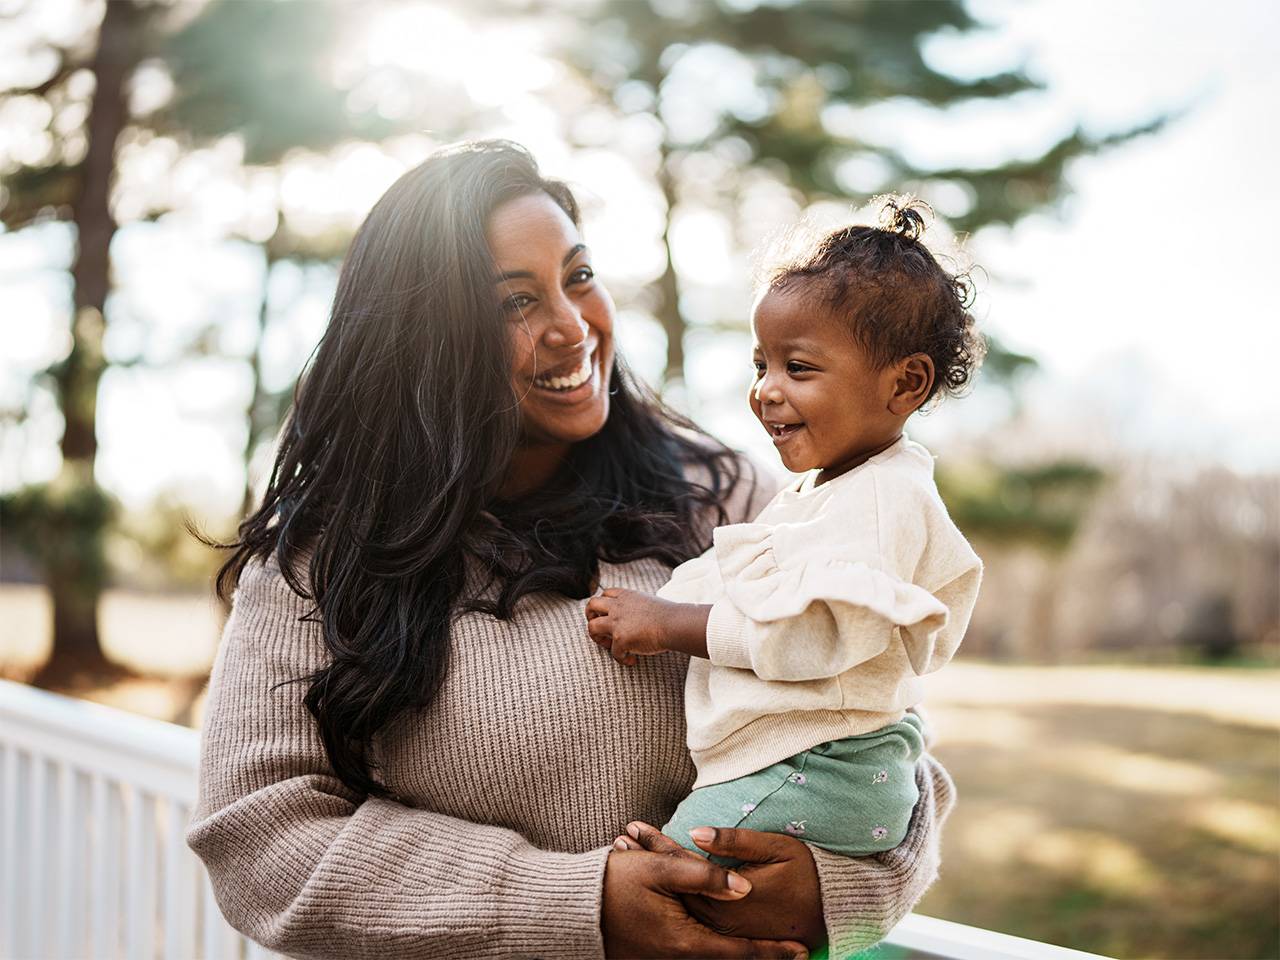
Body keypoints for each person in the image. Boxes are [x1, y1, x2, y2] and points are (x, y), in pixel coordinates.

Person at [187, 141, 955, 960]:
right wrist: (577, 905)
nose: (571, 326)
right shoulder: (322, 559)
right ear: (425, 338)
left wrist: (842, 891)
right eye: (515, 302)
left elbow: (882, 727)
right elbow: (260, 839)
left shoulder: (724, 497)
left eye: (578, 277)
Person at [586, 199, 983, 872]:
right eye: (759, 365)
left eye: (797, 368)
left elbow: (816, 632)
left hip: (818, 767)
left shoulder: (882, 500)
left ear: (905, 383)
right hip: (812, 762)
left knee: (664, 888)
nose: (766, 391)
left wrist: (668, 623)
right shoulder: (834, 490)